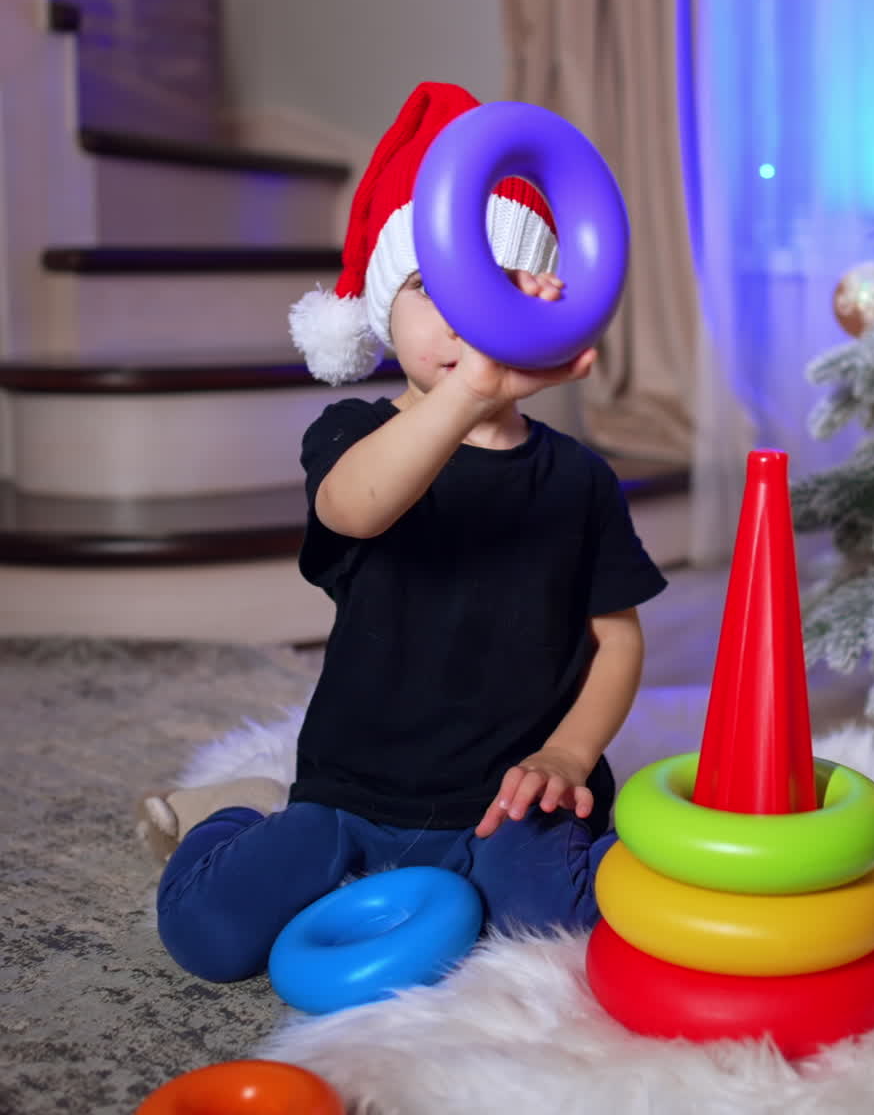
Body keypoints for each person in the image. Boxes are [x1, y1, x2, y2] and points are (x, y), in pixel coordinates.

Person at [140, 82, 667, 983]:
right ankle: (233, 810)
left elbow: (616, 639)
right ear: (385, 309)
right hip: (352, 790)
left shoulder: (579, 478)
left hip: (505, 799)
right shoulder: (351, 435)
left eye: (499, 281)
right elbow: (357, 509)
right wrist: (470, 392)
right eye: (431, 285)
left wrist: (569, 753)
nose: (467, 308)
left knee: (565, 923)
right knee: (210, 934)